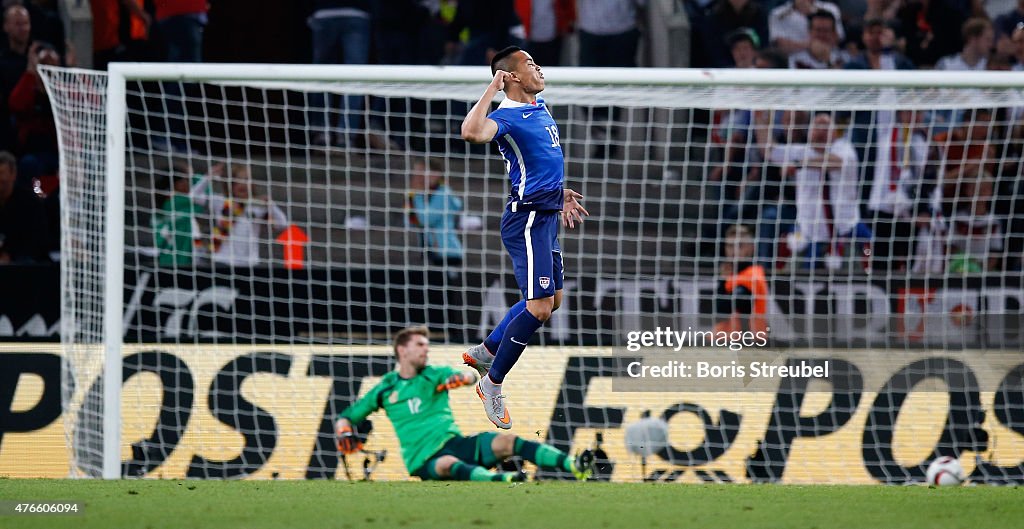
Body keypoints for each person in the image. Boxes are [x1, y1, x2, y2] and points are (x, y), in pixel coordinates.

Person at [459, 46, 589, 429]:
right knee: (539, 308)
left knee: (555, 300)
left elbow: (541, 163)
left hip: (546, 213)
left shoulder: (540, 105)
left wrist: (559, 193)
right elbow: (470, 132)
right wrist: (493, 87)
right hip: (527, 220)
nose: (538, 68)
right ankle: (492, 383)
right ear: (511, 77)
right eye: (530, 64)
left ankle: (486, 350)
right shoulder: (506, 118)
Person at [333, 326, 596, 481]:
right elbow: (347, 416)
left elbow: (468, 375)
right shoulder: (385, 388)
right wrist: (343, 431)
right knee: (446, 463)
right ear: (402, 351)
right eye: (420, 345)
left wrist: (461, 378)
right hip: (422, 460)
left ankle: (574, 465)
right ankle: (503, 479)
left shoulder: (433, 374)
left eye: (426, 346)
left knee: (507, 441)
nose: (426, 350)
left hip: (454, 443)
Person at [191, 162, 289, 267]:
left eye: (246, 180)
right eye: (236, 181)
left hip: (249, 263)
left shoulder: (258, 206)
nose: (242, 184)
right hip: (223, 261)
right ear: (230, 185)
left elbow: (282, 225)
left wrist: (271, 205)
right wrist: (208, 176)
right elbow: (193, 196)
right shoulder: (221, 202)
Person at [407, 157, 464, 268]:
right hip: (430, 254)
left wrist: (416, 195)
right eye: (416, 174)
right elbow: (410, 221)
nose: (418, 178)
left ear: (436, 174)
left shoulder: (443, 194)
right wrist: (412, 196)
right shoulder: (422, 196)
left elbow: (426, 219)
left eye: (422, 173)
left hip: (448, 254)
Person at [714, 224, 769, 334]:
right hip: (727, 341)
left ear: (751, 247)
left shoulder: (752, 276)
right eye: (730, 246)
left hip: (744, 344)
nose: (734, 251)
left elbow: (721, 313)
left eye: (740, 245)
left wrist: (722, 281)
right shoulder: (734, 275)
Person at [151, 159, 203, 266]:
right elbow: (204, 195)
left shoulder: (166, 203)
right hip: (178, 263)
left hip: (169, 261)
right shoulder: (178, 202)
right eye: (189, 179)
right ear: (178, 183)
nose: (192, 183)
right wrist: (206, 177)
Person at [0, 150, 48, 263]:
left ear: (13, 175)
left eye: (1, 173)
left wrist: (10, 255)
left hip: (23, 260)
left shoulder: (30, 202)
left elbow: (38, 240)